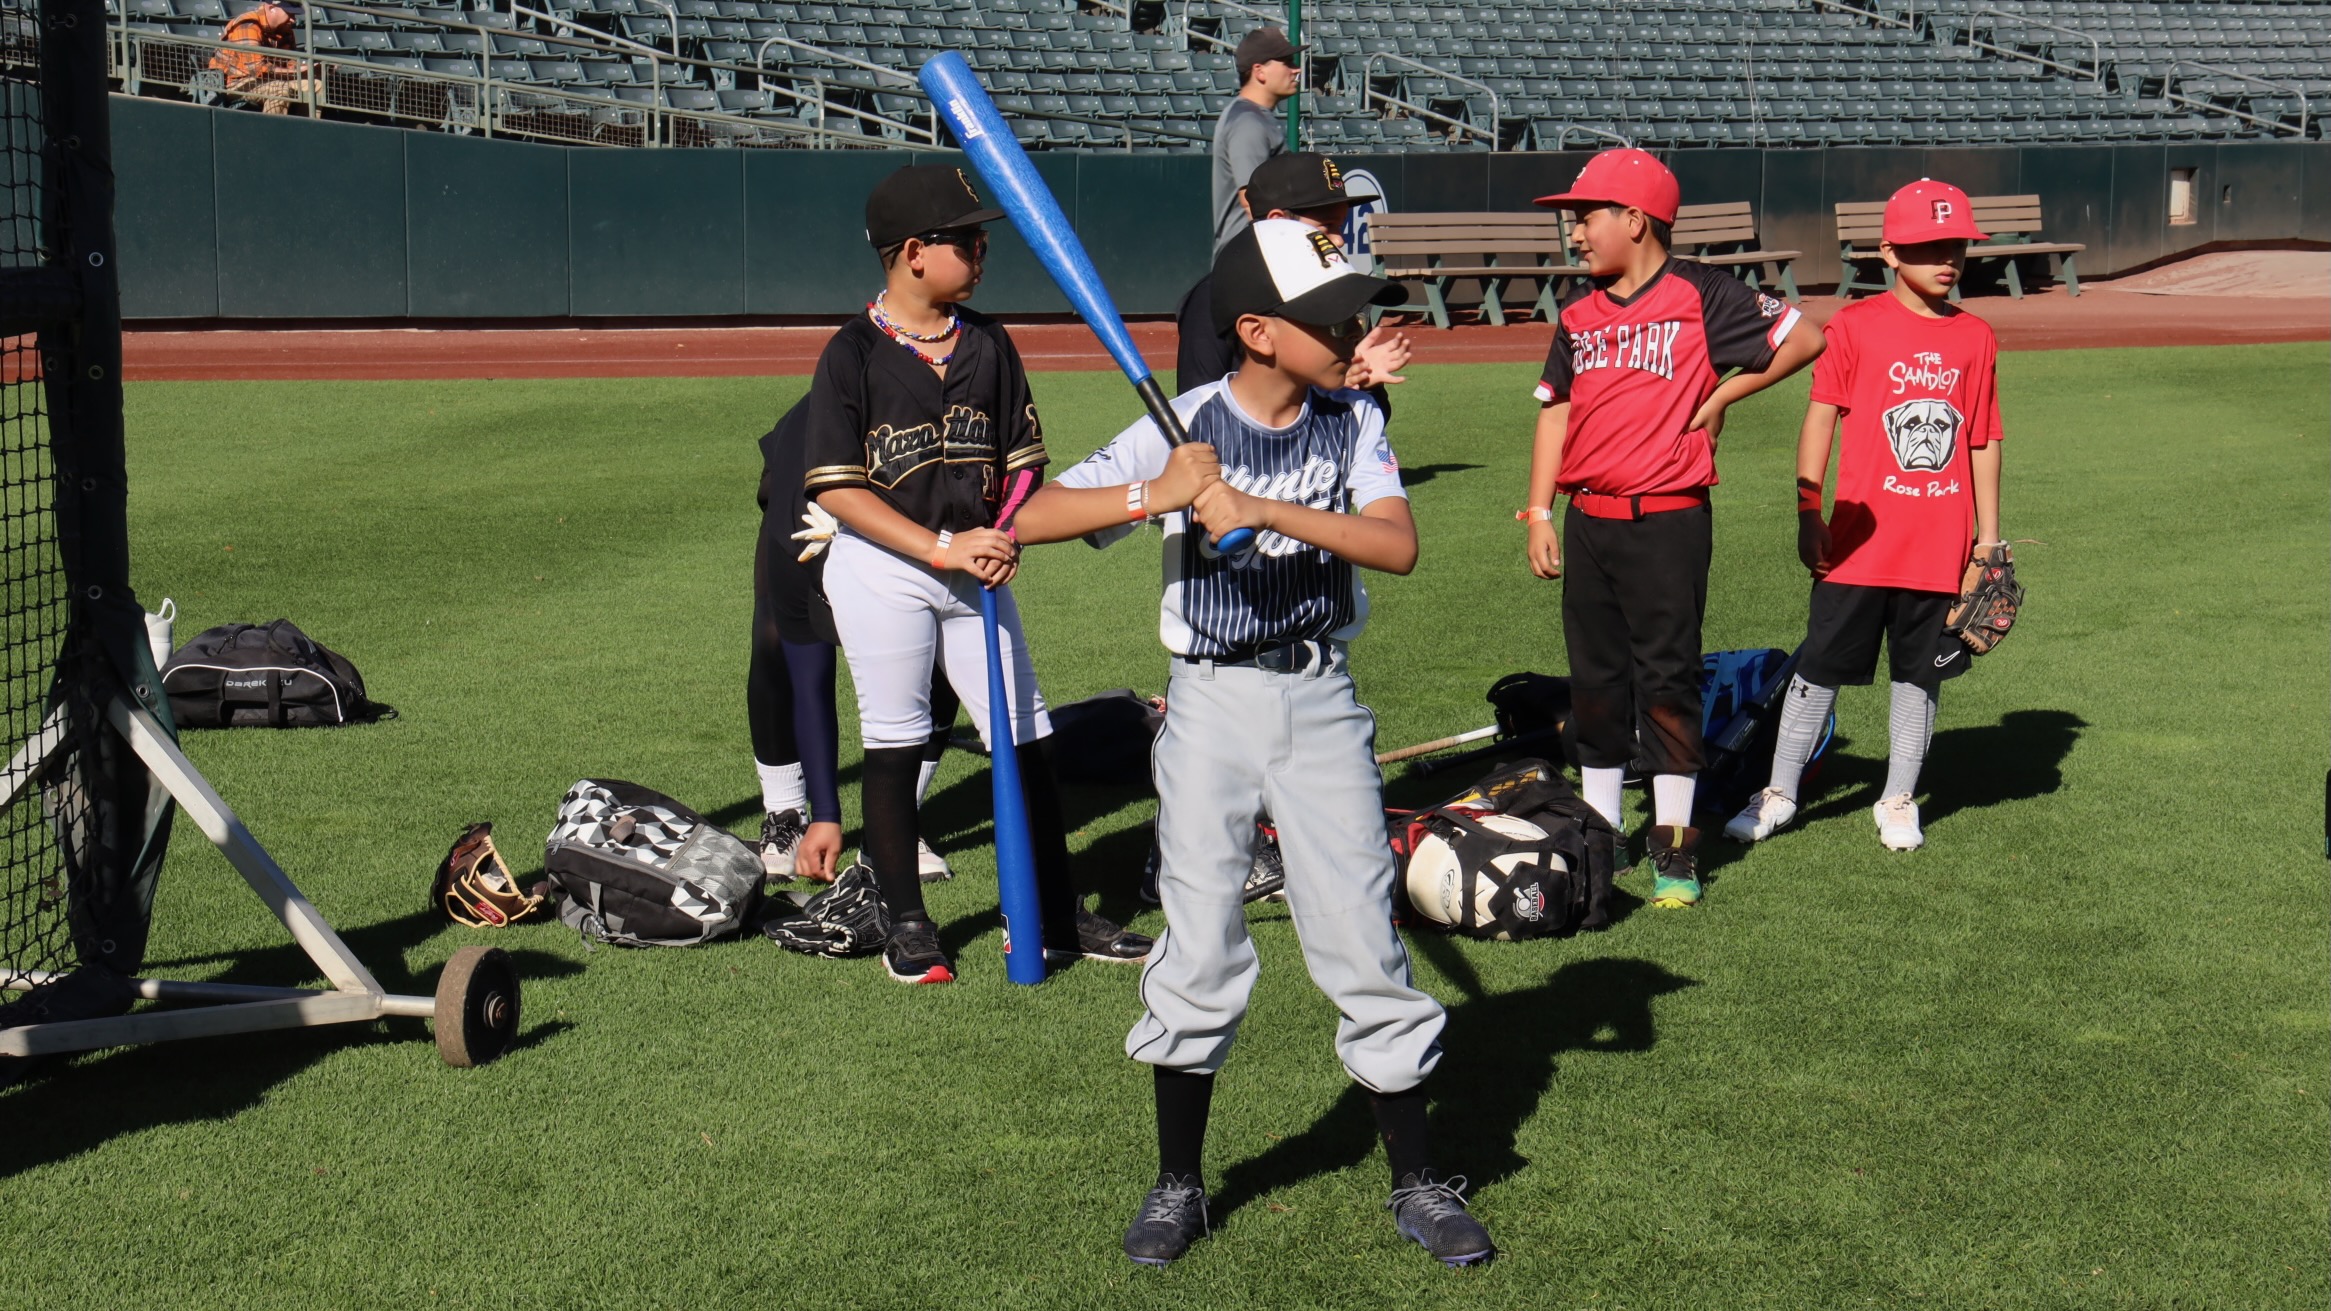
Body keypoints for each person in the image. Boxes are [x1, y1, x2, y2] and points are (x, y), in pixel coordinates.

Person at [1015, 218, 1492, 1269]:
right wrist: (1164, 494)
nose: (1351, 329)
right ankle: (1179, 1184)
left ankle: (1417, 1179)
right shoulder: (1184, 424)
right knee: (1198, 944)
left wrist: (1259, 503)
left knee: (1362, 936)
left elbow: (1396, 544)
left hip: (1320, 699)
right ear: (1257, 332)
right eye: (1328, 318)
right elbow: (1039, 513)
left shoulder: (1351, 419)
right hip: (1209, 708)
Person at [798, 163, 1152, 983]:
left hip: (975, 568)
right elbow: (839, 488)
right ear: (914, 253)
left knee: (1025, 739)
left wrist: (999, 530)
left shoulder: (988, 342)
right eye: (966, 239)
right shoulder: (850, 354)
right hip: (884, 570)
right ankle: (907, 922)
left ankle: (1055, 911)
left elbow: (1023, 464)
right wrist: (939, 548)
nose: (982, 248)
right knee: (895, 740)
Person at [1519, 147, 1822, 910]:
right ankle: (1595, 833)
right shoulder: (1579, 312)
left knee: (1666, 682)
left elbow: (1805, 338)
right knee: (1594, 685)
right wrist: (1537, 509)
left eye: (1585, 217)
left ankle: (1673, 846)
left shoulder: (1700, 291)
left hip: (1668, 520)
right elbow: (1554, 408)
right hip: (1589, 517)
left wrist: (1725, 396)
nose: (1576, 232)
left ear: (1635, 219)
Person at [1724, 178, 2005, 854]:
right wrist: (1804, 508)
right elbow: (1820, 417)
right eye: (1927, 246)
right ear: (1886, 251)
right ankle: (1780, 791)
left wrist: (1987, 542)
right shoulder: (1852, 327)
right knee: (1818, 667)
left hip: (1939, 543)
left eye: (1955, 245)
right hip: (1856, 543)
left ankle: (1898, 796)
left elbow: (1982, 438)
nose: (1947, 258)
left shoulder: (1975, 336)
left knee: (1919, 675)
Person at [748, 407, 955, 884]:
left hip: (918, 478)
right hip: (802, 466)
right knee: (774, 641)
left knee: (941, 652)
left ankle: (898, 819)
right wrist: (827, 814)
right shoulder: (798, 542)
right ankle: (784, 816)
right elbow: (811, 685)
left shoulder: (923, 542)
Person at [1176, 151, 1411, 404]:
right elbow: (1197, 405)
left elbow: (1370, 421)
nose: (1340, 239)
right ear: (1278, 221)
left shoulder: (1339, 287)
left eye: (1340, 227)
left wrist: (1362, 389)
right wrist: (1333, 390)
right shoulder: (1214, 294)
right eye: (1326, 226)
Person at [1210, 25, 1302, 253]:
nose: (1296, 69)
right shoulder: (1247, 122)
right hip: (1248, 258)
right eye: (1287, 62)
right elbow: (1253, 201)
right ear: (1260, 71)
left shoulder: (1256, 117)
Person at [211, 0, 312, 116]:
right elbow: (256, 69)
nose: (293, 20)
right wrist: (296, 72)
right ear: (271, 8)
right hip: (234, 84)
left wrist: (308, 70)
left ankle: (303, 131)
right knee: (280, 90)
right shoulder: (248, 24)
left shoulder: (285, 31)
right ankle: (271, 132)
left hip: (269, 80)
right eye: (289, 13)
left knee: (315, 85)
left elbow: (291, 63)